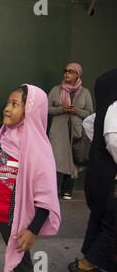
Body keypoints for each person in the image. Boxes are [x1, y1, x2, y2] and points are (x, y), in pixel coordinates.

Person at [0, 85, 61, 272]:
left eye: (15, 104)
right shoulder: (1, 139)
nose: (7, 108)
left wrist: (32, 230)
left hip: (16, 224)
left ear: (31, 111)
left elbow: (45, 198)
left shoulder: (39, 151)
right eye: (7, 103)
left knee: (24, 270)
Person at [68, 68, 117, 272]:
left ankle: (86, 263)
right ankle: (87, 264)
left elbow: (90, 125)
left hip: (99, 177)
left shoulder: (105, 110)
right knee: (112, 227)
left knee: (99, 219)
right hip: (110, 181)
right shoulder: (115, 108)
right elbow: (114, 142)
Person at [48, 63, 93, 200]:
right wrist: (62, 109)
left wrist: (75, 110)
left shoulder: (85, 92)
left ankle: (67, 190)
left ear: (77, 74)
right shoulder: (56, 90)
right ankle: (50, 191)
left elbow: (90, 113)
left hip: (75, 131)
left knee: (73, 160)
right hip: (58, 131)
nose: (67, 73)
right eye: (65, 70)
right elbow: (46, 109)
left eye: (71, 71)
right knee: (54, 160)